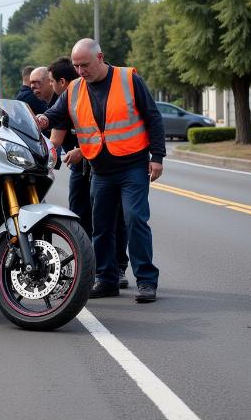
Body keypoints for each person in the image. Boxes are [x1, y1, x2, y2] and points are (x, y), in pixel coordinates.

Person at [38, 38, 165, 303]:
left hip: (132, 166)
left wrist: (158, 157)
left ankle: (146, 281)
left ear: (100, 57)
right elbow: (56, 114)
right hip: (100, 169)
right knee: (101, 227)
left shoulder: (129, 80)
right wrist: (43, 119)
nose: (81, 70)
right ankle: (106, 279)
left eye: (84, 65)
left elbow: (153, 117)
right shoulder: (74, 88)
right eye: (76, 66)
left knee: (134, 219)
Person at [47, 56, 130, 289]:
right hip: (80, 167)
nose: (47, 85)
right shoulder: (64, 100)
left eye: (51, 81)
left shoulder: (92, 94)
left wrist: (81, 151)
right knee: (80, 216)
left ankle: (118, 268)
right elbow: (55, 139)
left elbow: (106, 133)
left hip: (104, 165)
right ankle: (91, 267)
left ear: (62, 82)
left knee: (114, 219)